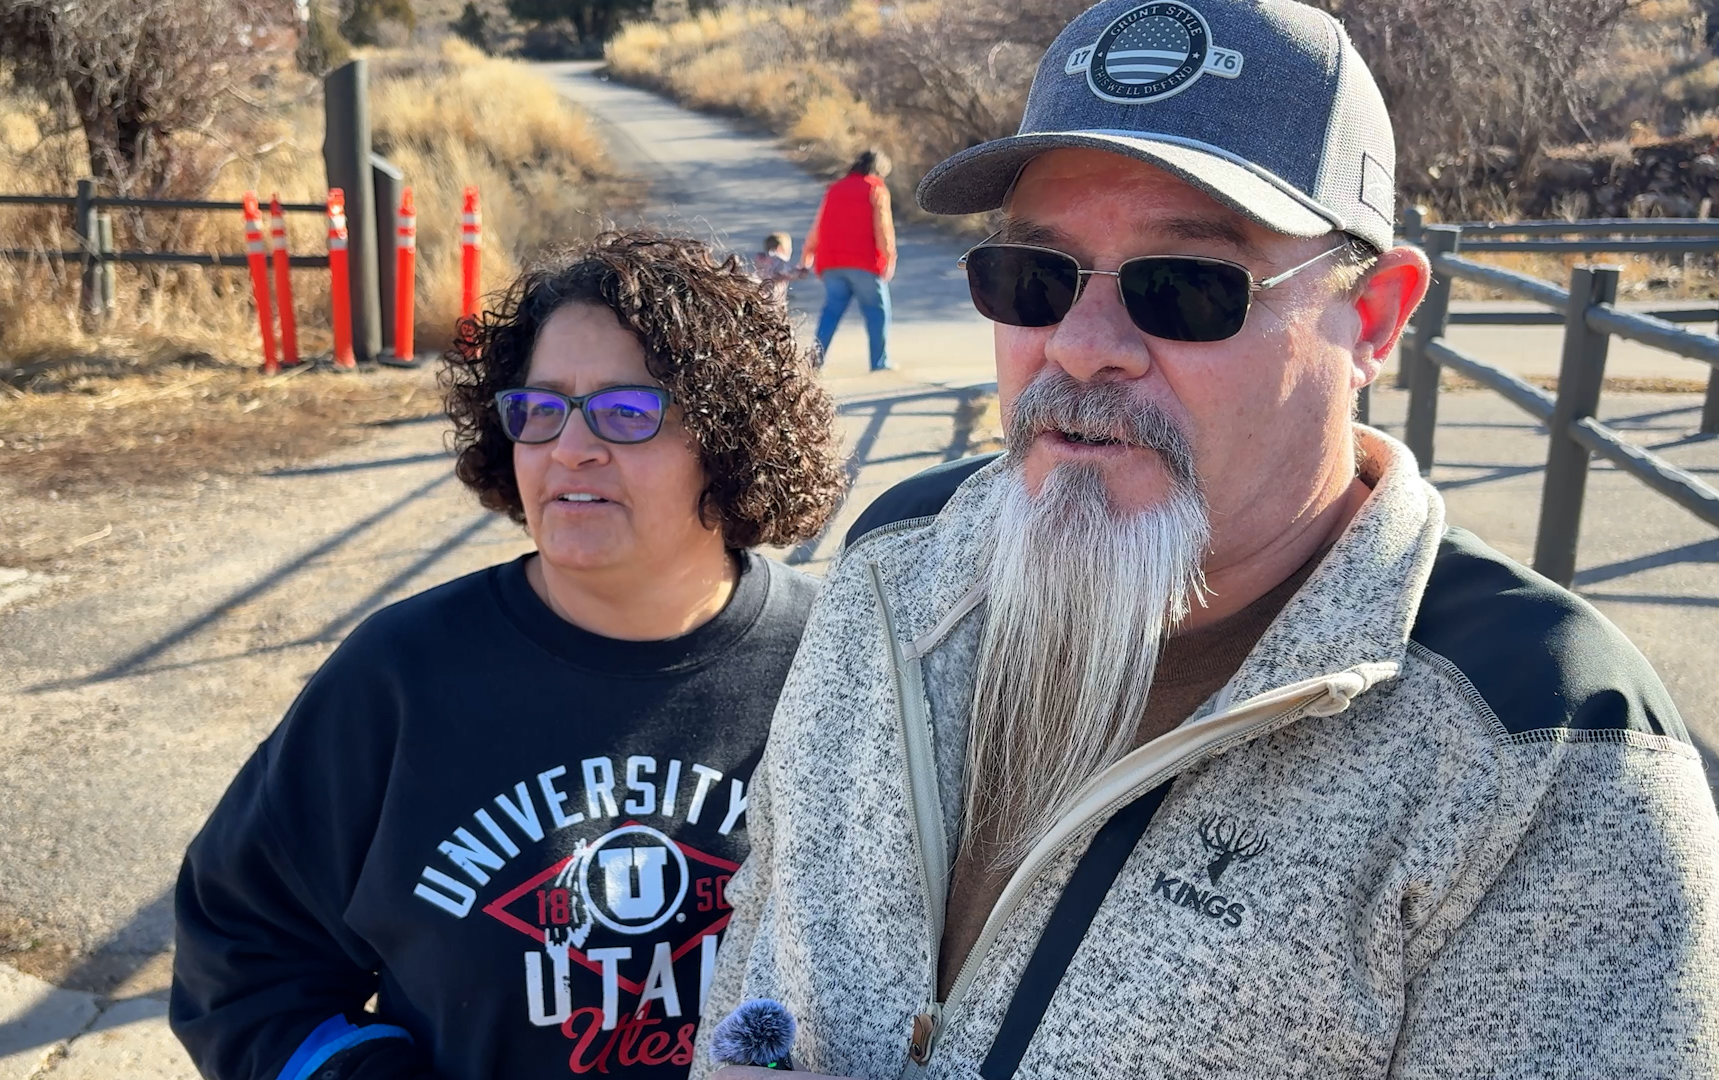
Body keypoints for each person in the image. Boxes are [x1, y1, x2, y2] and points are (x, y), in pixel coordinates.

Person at [697, 1, 1719, 1077]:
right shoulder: (898, 563)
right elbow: (765, 938)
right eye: (1033, 279)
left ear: (1372, 317)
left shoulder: (1549, 757)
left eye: (1184, 288)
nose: (1084, 348)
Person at [170, 232, 847, 1080]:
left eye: (626, 411)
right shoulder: (402, 676)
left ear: (730, 436)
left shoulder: (844, 667)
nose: (571, 448)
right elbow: (242, 955)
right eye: (541, 410)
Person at [802, 150, 897, 372]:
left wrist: (808, 252)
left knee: (831, 312)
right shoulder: (876, 189)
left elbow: (819, 222)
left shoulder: (835, 188)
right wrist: (889, 258)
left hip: (831, 263)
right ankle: (879, 362)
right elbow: (883, 228)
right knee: (877, 312)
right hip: (864, 263)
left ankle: (815, 361)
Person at [750, 232, 804, 311]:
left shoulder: (762, 259)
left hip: (760, 299)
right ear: (780, 249)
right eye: (789, 249)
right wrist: (803, 270)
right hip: (773, 303)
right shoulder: (779, 261)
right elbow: (792, 273)